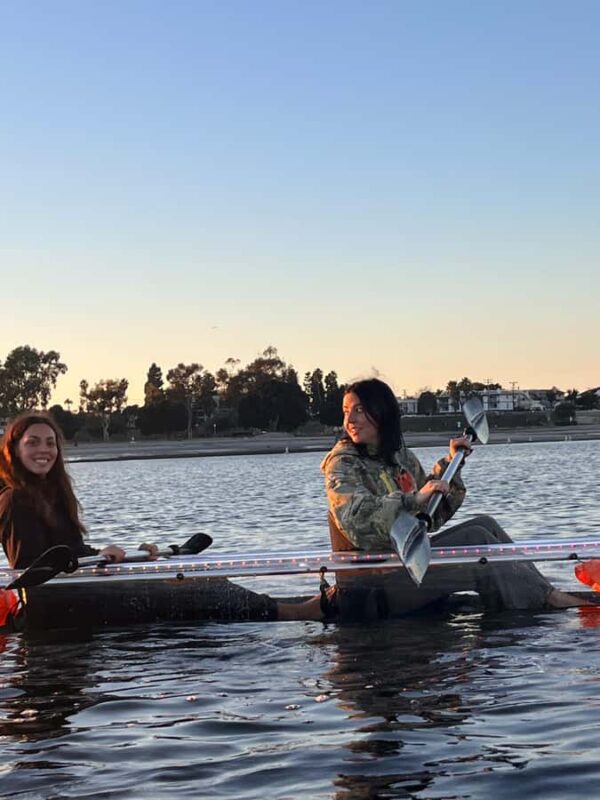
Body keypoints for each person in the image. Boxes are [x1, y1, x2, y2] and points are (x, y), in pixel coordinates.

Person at [0, 412, 328, 624]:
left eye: (50, 442)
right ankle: (296, 613)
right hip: (59, 608)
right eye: (33, 443)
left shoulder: (52, 496)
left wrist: (114, 556)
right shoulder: (14, 499)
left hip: (80, 593)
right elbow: (31, 568)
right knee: (197, 593)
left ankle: (278, 608)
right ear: (14, 450)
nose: (44, 449)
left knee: (205, 579)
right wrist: (96, 558)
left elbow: (69, 551)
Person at [320, 378, 588, 621]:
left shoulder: (397, 455)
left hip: (409, 566)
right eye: (346, 412)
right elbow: (357, 519)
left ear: (382, 412)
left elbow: (431, 517)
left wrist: (450, 466)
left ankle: (545, 594)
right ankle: (545, 605)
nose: (350, 420)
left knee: (485, 525)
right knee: (476, 540)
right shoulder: (342, 463)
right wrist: (413, 500)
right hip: (373, 585)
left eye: (358, 410)